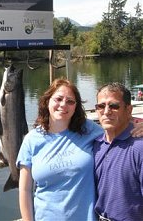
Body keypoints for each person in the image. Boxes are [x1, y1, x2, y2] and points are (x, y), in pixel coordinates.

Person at [16, 78, 104, 221]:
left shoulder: (89, 130)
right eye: (58, 99)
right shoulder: (31, 140)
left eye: (70, 101)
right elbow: (25, 190)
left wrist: (138, 126)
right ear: (47, 101)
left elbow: (118, 130)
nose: (63, 105)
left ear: (76, 107)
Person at [94, 82, 143, 221]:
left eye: (114, 106)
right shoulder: (95, 145)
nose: (106, 111)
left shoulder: (139, 148)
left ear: (129, 110)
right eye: (101, 106)